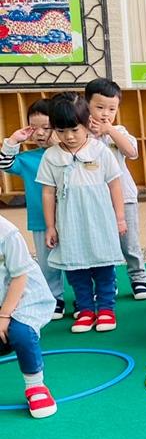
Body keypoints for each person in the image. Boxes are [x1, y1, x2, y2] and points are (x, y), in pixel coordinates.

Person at [36, 94, 126, 334]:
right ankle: (85, 309)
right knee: (75, 268)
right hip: (69, 223)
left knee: (104, 266)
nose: (69, 136)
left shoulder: (100, 150)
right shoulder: (52, 156)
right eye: (61, 131)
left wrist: (120, 218)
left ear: (87, 123)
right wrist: (50, 226)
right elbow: (48, 193)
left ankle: (106, 309)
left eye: (74, 129)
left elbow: (115, 185)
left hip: (100, 221)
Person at [85, 78, 146, 301]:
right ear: (87, 105)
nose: (105, 113)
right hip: (95, 200)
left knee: (130, 243)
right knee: (102, 243)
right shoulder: (82, 134)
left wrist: (110, 131)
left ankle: (139, 279)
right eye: (99, 107)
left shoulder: (119, 130)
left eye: (112, 109)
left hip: (125, 197)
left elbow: (132, 152)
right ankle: (107, 282)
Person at [0, 99, 65, 318]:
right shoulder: (27, 159)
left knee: (78, 258)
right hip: (41, 219)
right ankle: (55, 297)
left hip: (71, 217)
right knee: (48, 263)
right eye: (33, 128)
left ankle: (90, 294)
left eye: (46, 127)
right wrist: (13, 141)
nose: (39, 133)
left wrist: (59, 143)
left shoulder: (67, 153)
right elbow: (4, 163)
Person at [0, 214, 57, 417]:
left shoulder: (7, 233)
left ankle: (36, 386)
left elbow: (19, 277)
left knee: (21, 331)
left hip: (23, 295)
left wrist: (4, 316)